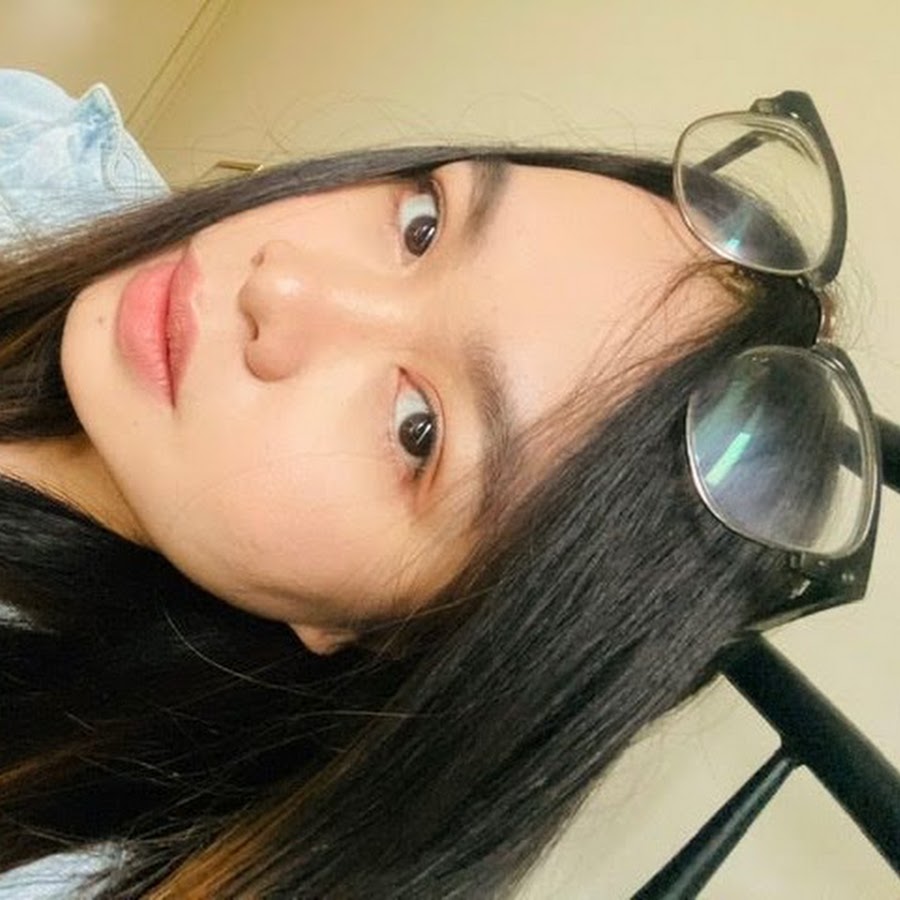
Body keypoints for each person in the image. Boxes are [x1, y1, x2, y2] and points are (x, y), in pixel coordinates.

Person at [0, 75, 880, 899]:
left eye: (417, 430)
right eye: (421, 225)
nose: (286, 283)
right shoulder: (42, 150)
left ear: (391, 635)